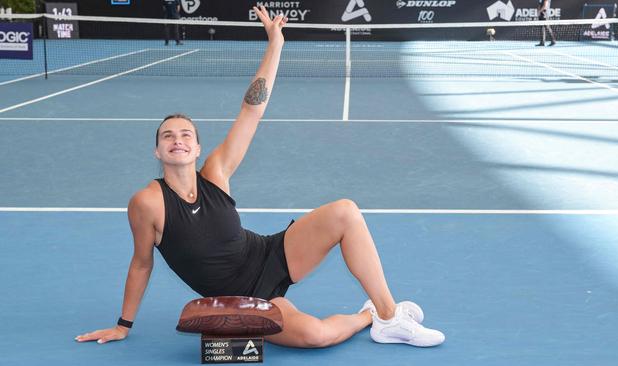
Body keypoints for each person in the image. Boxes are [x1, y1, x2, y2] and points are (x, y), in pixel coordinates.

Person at [75, 6, 445, 349]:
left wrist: (276, 44)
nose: (178, 139)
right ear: (157, 151)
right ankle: (367, 316)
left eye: (186, 134)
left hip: (268, 254)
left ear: (198, 148)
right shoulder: (148, 203)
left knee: (345, 212)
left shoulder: (216, 172)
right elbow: (142, 262)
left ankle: (388, 315)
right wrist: (123, 324)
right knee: (315, 336)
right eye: (168, 135)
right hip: (242, 300)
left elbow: (252, 109)